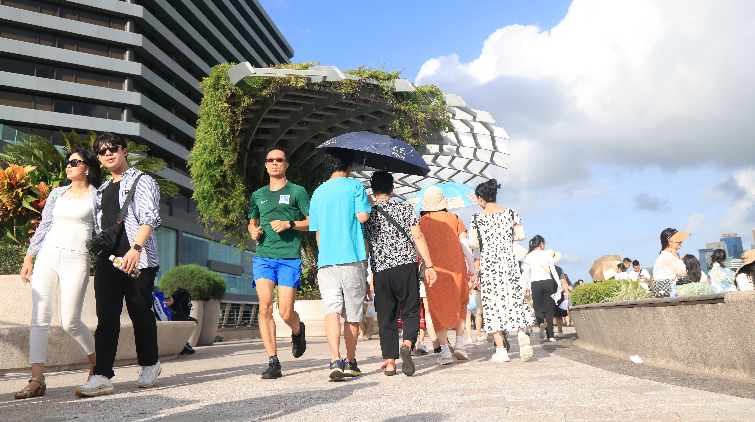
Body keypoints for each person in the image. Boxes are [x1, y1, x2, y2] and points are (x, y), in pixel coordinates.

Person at [75, 133, 162, 397]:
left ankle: (150, 364)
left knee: (140, 313)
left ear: (124, 151)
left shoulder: (142, 180)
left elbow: (150, 217)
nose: (107, 154)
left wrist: (136, 248)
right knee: (107, 317)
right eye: (101, 152)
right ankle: (102, 375)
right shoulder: (100, 190)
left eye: (112, 148)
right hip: (108, 261)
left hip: (139, 259)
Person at [14, 148, 101, 400]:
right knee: (39, 318)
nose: (69, 165)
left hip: (76, 258)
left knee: (70, 321)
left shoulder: (97, 196)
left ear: (87, 167)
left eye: (75, 161)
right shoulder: (56, 193)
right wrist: (29, 256)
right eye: (68, 161)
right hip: (48, 256)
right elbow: (45, 224)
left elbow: (105, 228)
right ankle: (36, 379)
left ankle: (96, 365)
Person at [363, 171, 437, 376]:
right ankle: (407, 344)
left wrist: (368, 275)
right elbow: (418, 236)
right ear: (392, 189)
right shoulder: (405, 208)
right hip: (405, 267)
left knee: (387, 316)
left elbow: (367, 247)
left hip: (382, 270)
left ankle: (389, 362)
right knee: (411, 310)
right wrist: (429, 265)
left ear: (373, 190)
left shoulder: (369, 214)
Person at [247, 145, 310, 379]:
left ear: (286, 165)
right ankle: (273, 362)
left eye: (279, 160)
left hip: (289, 258)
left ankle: (297, 329)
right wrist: (253, 231)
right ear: (266, 165)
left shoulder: (297, 191)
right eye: (270, 159)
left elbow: (312, 222)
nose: (275, 163)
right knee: (265, 307)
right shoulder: (258, 194)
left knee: (285, 313)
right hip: (264, 256)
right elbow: (252, 222)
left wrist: (290, 224)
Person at [308, 148, 371, 381]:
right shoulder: (355, 186)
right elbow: (363, 217)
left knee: (331, 309)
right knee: (352, 313)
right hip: (351, 257)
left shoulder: (317, 193)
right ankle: (350, 361)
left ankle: (334, 359)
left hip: (326, 260)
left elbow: (316, 232)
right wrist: (368, 204)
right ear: (348, 167)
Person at [469, 179, 535, 362]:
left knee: (492, 303)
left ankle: (501, 351)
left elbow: (473, 243)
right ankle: (521, 333)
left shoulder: (477, 218)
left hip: (490, 262)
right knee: (513, 296)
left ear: (481, 198)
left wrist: (486, 240)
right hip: (509, 260)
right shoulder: (510, 213)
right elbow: (521, 235)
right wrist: (505, 237)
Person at [418, 186, 474, 365]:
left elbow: (418, 248)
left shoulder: (421, 222)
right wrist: (472, 269)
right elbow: (465, 246)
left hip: (433, 271)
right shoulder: (455, 219)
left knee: (436, 307)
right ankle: (459, 344)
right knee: (461, 303)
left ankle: (445, 352)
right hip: (456, 268)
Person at [521, 235, 562, 343]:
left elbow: (525, 272)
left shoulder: (529, 256)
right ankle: (551, 336)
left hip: (535, 283)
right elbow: (553, 271)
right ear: (541, 244)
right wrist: (559, 284)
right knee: (549, 310)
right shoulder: (547, 255)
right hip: (548, 283)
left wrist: (525, 286)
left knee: (537, 308)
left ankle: (541, 324)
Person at [651, 228, 691, 297]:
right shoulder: (668, 256)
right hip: (669, 293)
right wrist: (676, 256)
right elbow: (684, 272)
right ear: (670, 242)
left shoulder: (664, 255)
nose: (681, 242)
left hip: (664, 292)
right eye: (678, 239)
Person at [465, 272, 484, 344]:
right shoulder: (476, 263)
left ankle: (469, 337)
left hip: (467, 290)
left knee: (467, 316)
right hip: (476, 290)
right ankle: (478, 335)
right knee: (478, 314)